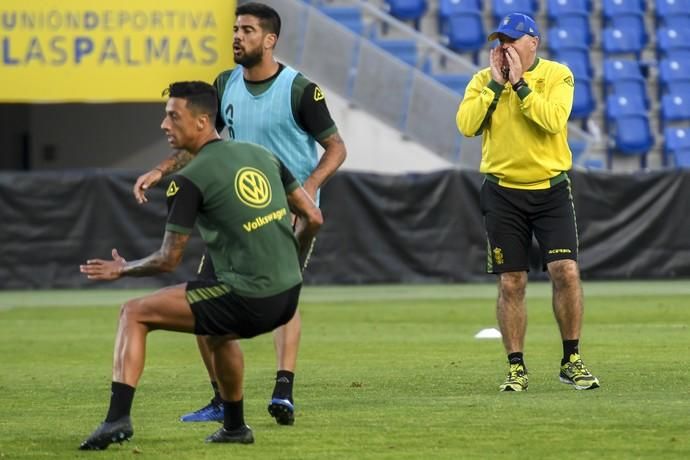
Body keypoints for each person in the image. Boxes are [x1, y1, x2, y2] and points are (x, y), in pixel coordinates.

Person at [132, 2, 346, 426]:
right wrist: (160, 169)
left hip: (284, 216)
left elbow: (336, 148)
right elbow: (202, 142)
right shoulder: (224, 83)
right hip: (230, 217)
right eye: (235, 29)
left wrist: (308, 190)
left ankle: (283, 390)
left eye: (247, 30)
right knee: (202, 294)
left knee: (284, 295)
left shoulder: (300, 90)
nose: (237, 36)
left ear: (269, 40)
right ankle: (220, 399)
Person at [78, 81, 323, 450]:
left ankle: (116, 419)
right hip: (288, 296)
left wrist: (123, 269)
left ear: (202, 122)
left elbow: (168, 259)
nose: (164, 125)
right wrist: (291, 261)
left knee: (134, 313)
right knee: (216, 331)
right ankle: (235, 427)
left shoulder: (188, 182)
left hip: (249, 297)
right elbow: (313, 217)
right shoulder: (261, 155)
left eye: (173, 116)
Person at [456, 13, 600, 392]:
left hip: (551, 189)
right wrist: (494, 85)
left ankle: (571, 359)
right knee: (512, 281)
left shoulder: (557, 75)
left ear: (532, 43)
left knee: (565, 270)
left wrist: (519, 85)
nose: (504, 47)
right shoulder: (482, 81)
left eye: (512, 40)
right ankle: (516, 366)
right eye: (499, 41)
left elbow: (552, 121)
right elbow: (466, 126)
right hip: (503, 191)